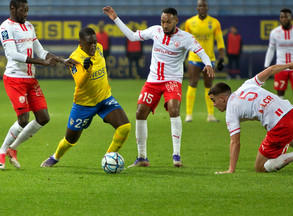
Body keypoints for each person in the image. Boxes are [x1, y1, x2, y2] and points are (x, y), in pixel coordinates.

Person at [103, 6, 214, 167]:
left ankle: (176, 155)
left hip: (172, 81)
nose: (165, 25)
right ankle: (142, 157)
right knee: (140, 112)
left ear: (176, 21)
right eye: (163, 21)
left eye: (168, 22)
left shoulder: (185, 37)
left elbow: (201, 51)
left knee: (174, 109)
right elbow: (133, 36)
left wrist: (208, 64)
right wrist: (116, 19)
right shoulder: (155, 31)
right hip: (153, 80)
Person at [0, 0, 77, 170]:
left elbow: (41, 51)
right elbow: (12, 54)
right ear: (13, 8)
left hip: (30, 78)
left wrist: (62, 60)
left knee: (43, 118)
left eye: (27, 10)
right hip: (14, 78)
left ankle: (13, 149)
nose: (26, 13)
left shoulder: (29, 26)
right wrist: (42, 63)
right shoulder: (6, 27)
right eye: (23, 10)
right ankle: (2, 151)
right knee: (23, 119)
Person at [40, 27, 131, 167]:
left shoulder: (99, 48)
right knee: (70, 140)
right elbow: (80, 83)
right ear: (80, 43)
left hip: (104, 99)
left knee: (125, 127)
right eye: (89, 43)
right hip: (84, 104)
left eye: (94, 42)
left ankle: (108, 159)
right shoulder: (75, 58)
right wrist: (87, 71)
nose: (93, 46)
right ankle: (55, 157)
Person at [208, 62, 293, 174]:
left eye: (214, 100)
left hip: (282, 125)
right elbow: (271, 69)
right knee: (277, 131)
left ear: (222, 98)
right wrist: (289, 65)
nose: (214, 105)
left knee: (260, 167)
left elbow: (235, 143)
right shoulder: (246, 85)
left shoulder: (230, 110)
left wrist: (231, 169)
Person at [264, 8, 293, 127]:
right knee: (280, 95)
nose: (284, 19)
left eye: (286, 16)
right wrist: (266, 66)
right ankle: (280, 120)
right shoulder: (275, 32)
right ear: (280, 18)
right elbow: (271, 49)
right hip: (280, 67)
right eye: (282, 17)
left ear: (291, 17)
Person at [184, 0, 225, 123]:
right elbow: (185, 41)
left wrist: (221, 57)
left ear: (207, 8)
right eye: (200, 6)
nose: (202, 8)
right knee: (193, 83)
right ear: (197, 8)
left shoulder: (214, 23)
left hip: (209, 58)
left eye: (204, 6)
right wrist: (182, 58)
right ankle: (189, 115)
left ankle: (210, 115)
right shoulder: (190, 22)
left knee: (209, 86)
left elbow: (220, 40)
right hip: (194, 57)